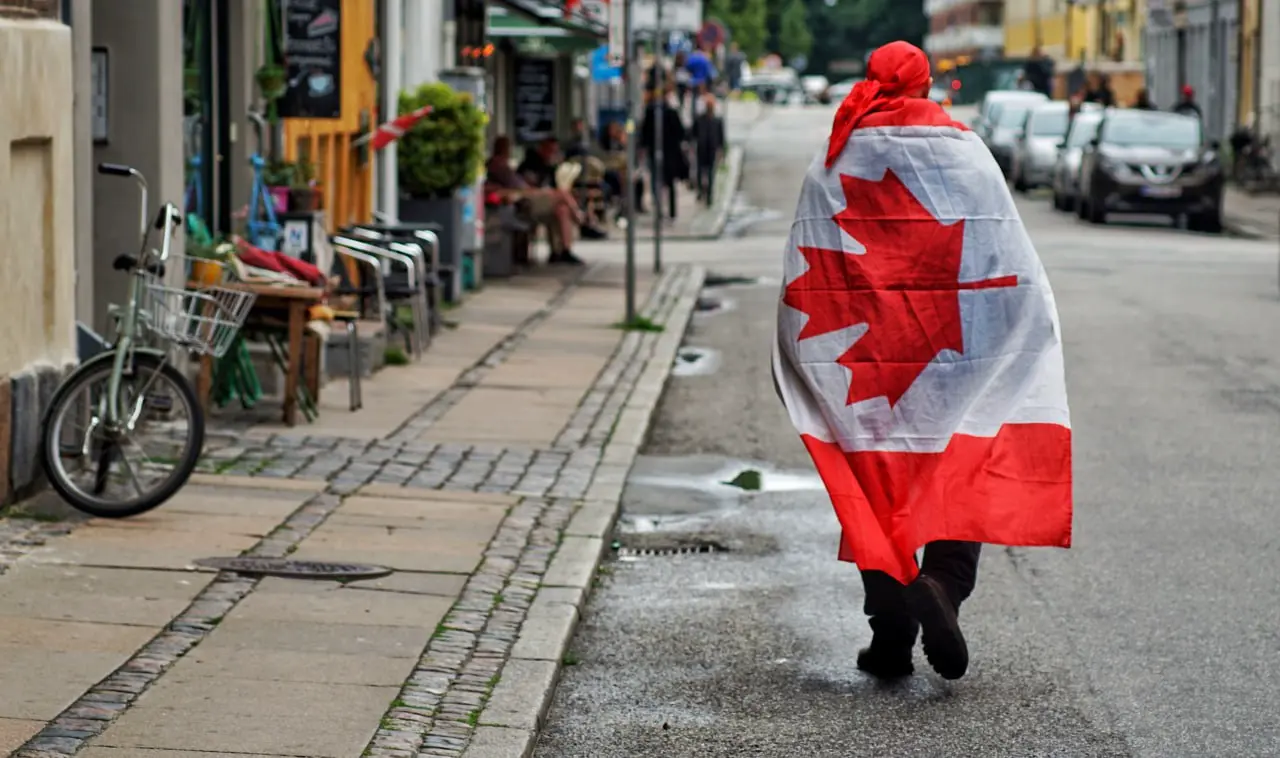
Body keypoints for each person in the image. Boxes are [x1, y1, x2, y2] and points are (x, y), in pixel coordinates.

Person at [772, 41, 1072, 682]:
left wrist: (805, 356)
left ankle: (890, 635)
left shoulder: (836, 155)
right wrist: (1024, 326)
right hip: (959, 355)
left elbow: (811, 269)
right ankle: (941, 582)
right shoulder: (965, 152)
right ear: (927, 84)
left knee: (879, 484)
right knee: (957, 470)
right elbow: (1003, 252)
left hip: (870, 362)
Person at [485, 136, 584, 265]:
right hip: (524, 198)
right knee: (562, 195)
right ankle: (578, 215)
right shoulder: (503, 164)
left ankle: (562, 250)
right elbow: (518, 186)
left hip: (533, 196)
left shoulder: (549, 167)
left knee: (562, 210)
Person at [640, 84, 688, 221]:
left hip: (656, 152)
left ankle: (661, 210)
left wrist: (644, 146)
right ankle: (671, 211)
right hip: (670, 153)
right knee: (669, 183)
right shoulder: (670, 112)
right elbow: (681, 133)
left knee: (657, 182)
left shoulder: (651, 111)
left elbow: (644, 134)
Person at [691, 92, 725, 206]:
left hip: (711, 149)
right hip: (702, 148)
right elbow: (693, 133)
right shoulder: (700, 119)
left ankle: (709, 194)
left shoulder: (717, 120)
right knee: (701, 171)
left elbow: (721, 136)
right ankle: (702, 191)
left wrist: (721, 150)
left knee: (709, 172)